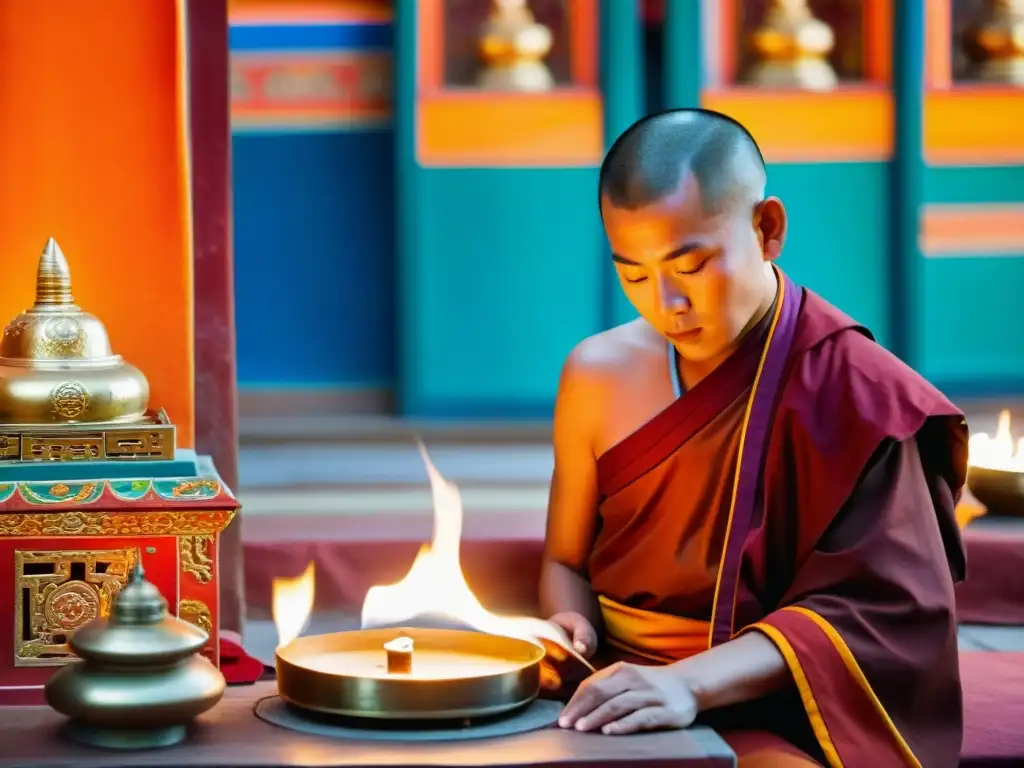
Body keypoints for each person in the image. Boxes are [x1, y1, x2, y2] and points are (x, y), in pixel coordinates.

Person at [539, 108, 968, 768]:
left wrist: (687, 682)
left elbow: (882, 613)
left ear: (767, 229)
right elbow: (566, 561)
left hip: (780, 702)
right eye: (634, 276)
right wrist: (571, 627)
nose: (666, 304)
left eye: (692, 264)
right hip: (613, 691)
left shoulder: (858, 391)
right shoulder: (595, 374)